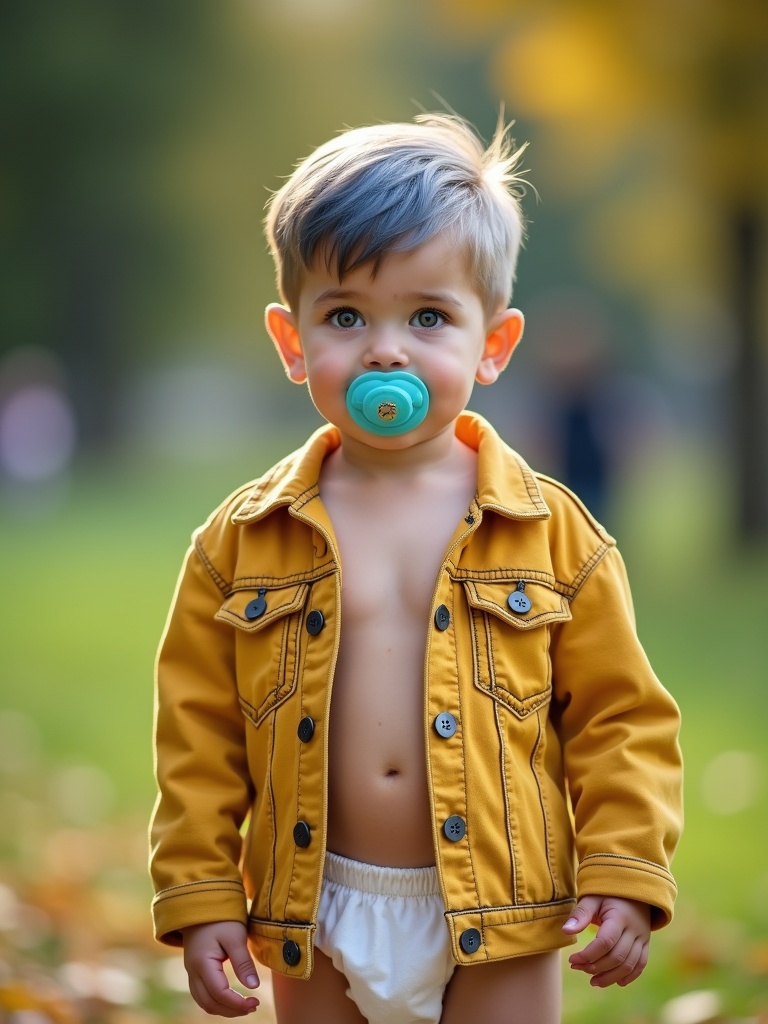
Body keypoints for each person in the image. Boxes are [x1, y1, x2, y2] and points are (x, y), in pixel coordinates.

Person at [149, 113, 683, 1024]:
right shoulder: (239, 544)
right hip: (312, 908)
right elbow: (197, 741)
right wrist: (200, 895)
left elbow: (618, 718)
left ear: (494, 344)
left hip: (500, 904)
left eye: (427, 317)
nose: (385, 349)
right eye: (346, 315)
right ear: (292, 340)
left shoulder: (554, 535)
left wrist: (625, 870)